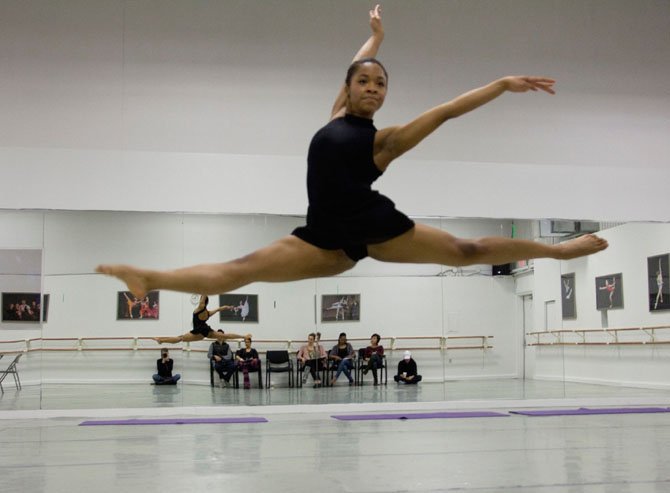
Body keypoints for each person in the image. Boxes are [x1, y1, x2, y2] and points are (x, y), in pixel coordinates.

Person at [96, 5, 608, 301]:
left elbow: (449, 110)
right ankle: (148, 278)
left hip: (375, 227)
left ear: (385, 94)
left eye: (380, 83)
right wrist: (376, 36)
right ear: (347, 87)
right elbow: (356, 61)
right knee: (240, 269)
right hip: (324, 239)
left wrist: (500, 84)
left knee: (464, 253)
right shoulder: (336, 116)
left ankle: (557, 251)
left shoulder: (384, 141)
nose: (372, 86)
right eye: (363, 80)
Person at [153, 295, 248, 345]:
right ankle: (244, 336)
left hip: (198, 333)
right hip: (206, 331)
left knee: (180, 338)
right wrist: (227, 307)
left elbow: (204, 297)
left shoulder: (200, 307)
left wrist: (204, 287)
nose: (200, 299)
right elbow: (219, 309)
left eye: (201, 298)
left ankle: (161, 340)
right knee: (224, 336)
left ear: (203, 301)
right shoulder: (208, 312)